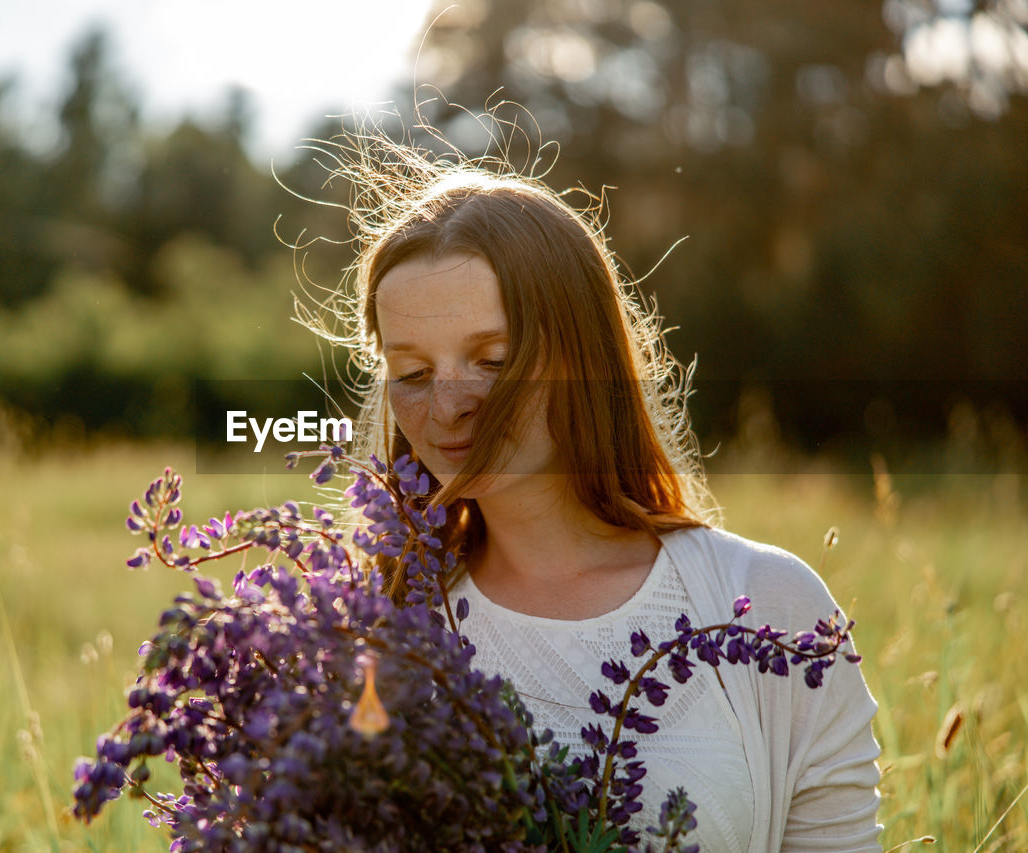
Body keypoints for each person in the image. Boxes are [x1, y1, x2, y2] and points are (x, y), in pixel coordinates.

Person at [300, 120, 882, 852]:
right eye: (413, 373)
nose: (446, 405)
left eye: (492, 360)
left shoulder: (768, 606)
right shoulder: (374, 631)